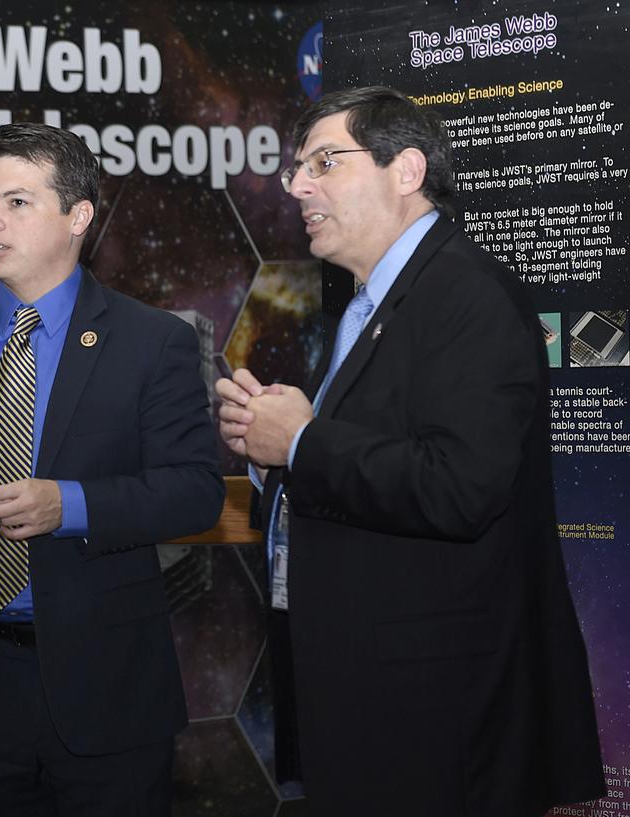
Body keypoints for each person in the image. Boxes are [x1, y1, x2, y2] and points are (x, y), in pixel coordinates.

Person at [217, 86, 604, 816]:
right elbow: (366, 461)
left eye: (324, 163)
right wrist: (275, 456)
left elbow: (459, 487)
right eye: (298, 168)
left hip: (439, 720)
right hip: (374, 699)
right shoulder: (367, 305)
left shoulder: (468, 296)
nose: (297, 186)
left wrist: (301, 440)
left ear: (406, 170)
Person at [0, 122, 224, 816]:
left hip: (108, 687)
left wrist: (71, 505)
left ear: (78, 216)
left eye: (17, 202)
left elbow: (194, 491)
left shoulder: (151, 342)